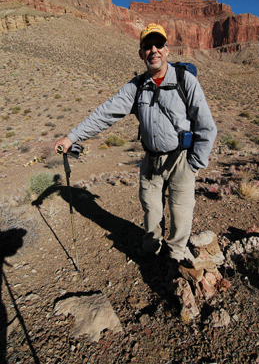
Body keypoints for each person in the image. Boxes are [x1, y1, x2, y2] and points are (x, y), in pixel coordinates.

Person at [54, 23, 217, 273]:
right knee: (151, 208)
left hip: (181, 159)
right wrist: (73, 136)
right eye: (147, 46)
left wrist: (195, 163)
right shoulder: (137, 86)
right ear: (141, 53)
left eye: (158, 45)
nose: (154, 50)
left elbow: (207, 127)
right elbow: (105, 114)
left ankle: (174, 255)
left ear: (167, 50)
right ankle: (151, 247)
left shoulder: (186, 81)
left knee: (180, 211)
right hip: (151, 159)